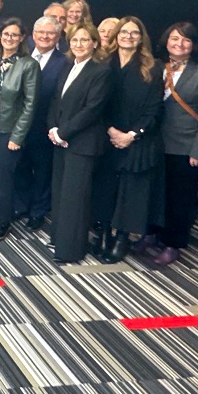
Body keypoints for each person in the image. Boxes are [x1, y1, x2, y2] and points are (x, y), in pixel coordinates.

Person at [149, 21, 198, 266]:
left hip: (187, 147)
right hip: (156, 143)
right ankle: (153, 234)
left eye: (185, 40)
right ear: (166, 41)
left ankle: (173, 244)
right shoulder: (157, 67)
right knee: (156, 194)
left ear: (193, 45)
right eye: (174, 38)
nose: (179, 44)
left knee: (180, 199)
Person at [91, 17, 164, 263]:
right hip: (105, 135)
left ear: (141, 38)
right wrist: (111, 130)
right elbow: (96, 102)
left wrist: (131, 135)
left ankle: (121, 237)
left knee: (129, 192)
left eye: (134, 33)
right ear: (116, 35)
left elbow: (154, 109)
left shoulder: (152, 67)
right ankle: (102, 233)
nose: (128, 36)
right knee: (104, 187)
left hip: (137, 139)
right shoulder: (102, 62)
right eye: (124, 32)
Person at [46, 20, 111, 263]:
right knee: (61, 193)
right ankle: (58, 239)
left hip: (82, 143)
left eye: (85, 40)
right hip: (61, 140)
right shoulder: (68, 66)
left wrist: (64, 133)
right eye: (75, 40)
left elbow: (92, 109)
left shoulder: (101, 71)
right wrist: (53, 128)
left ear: (95, 43)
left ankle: (71, 250)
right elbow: (56, 100)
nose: (79, 44)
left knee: (76, 198)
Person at [0, 18, 39, 241]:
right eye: (5, 34)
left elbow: (30, 104)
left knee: (3, 175)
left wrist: (17, 136)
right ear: (0, 36)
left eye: (14, 35)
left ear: (22, 38)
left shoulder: (28, 64)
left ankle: (4, 219)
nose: (9, 38)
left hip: (8, 126)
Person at [14, 16, 70, 231]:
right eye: (40, 32)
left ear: (57, 37)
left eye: (50, 33)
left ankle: (38, 211)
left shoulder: (64, 61)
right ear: (32, 35)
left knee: (43, 171)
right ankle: (23, 205)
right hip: (19, 126)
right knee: (20, 166)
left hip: (45, 126)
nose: (45, 37)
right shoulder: (21, 56)